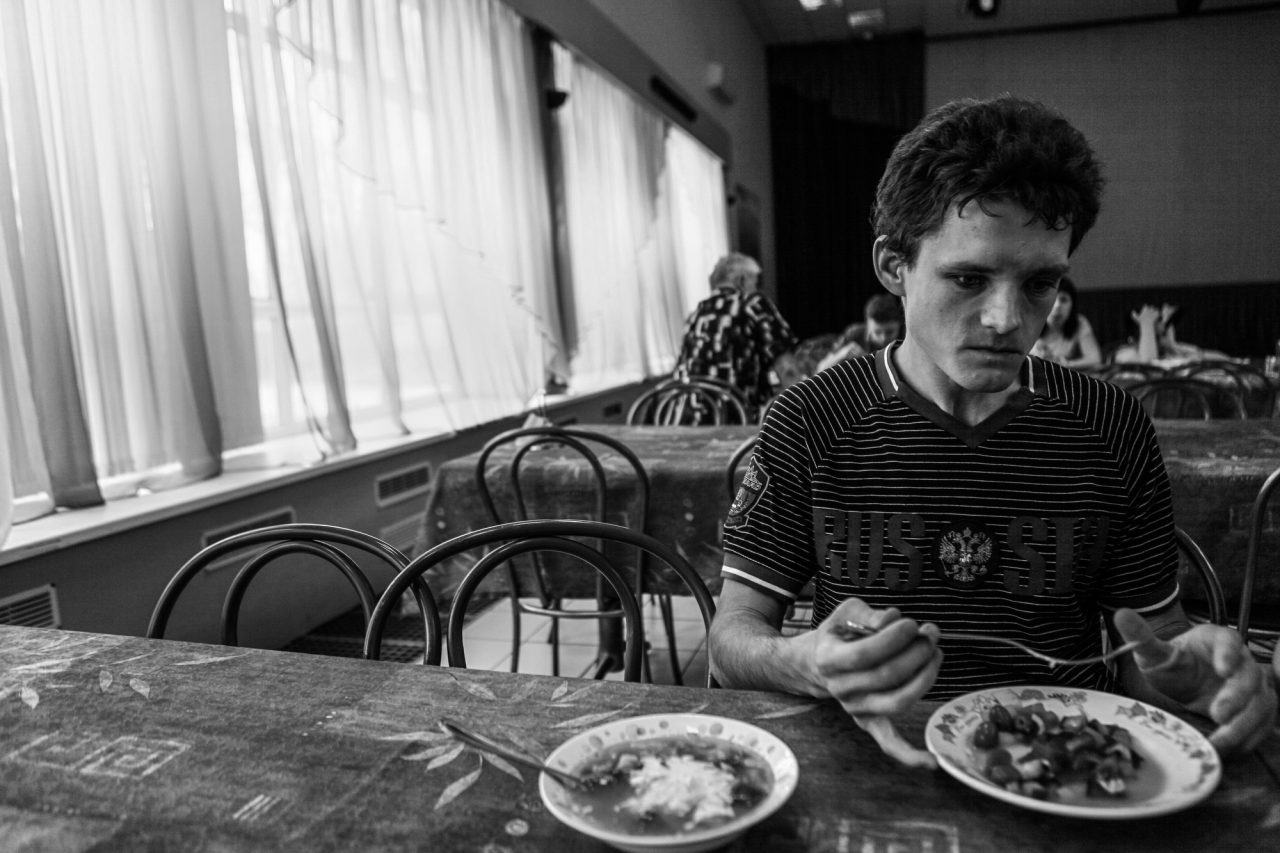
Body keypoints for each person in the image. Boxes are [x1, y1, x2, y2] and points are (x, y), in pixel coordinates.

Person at [709, 95, 1275, 768]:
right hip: (878, 758)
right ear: (894, 266)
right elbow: (732, 637)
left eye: (1039, 284)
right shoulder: (811, 417)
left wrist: (1196, 679)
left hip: (1065, 761)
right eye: (969, 278)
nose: (1006, 319)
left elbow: (1149, 647)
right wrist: (803, 660)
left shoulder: (1110, 425)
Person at [673, 252, 798, 421]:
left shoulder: (695, 315)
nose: (757, 289)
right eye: (756, 283)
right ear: (742, 281)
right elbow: (787, 368)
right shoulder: (752, 305)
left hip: (686, 420)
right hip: (737, 419)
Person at [1112, 302, 1231, 367]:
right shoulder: (1126, 354)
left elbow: (1223, 358)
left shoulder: (1172, 349)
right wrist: (1146, 323)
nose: (1164, 325)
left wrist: (1174, 347)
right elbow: (1149, 363)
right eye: (1158, 321)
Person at [815, 293, 905, 372]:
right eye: (877, 332)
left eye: (889, 332)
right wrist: (843, 353)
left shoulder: (906, 336)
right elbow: (821, 369)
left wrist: (865, 359)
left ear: (900, 324)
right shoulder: (855, 334)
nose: (883, 338)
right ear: (868, 325)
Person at [1028, 276, 1101, 368]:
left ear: (1072, 305)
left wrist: (1065, 365)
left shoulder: (1079, 322)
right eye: (1052, 299)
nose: (1057, 306)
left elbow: (1095, 359)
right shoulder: (1029, 322)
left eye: (1063, 300)